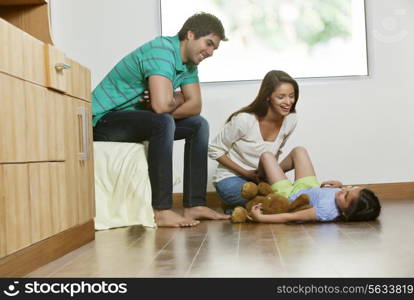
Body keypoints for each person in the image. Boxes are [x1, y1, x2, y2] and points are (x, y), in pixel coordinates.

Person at [92, 12, 230, 227]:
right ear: (191, 34)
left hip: (134, 121)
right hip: (104, 120)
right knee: (163, 121)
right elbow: (161, 106)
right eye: (209, 43)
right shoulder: (162, 50)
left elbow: (195, 106)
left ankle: (194, 204)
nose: (210, 52)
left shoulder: (189, 65)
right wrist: (176, 98)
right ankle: (161, 209)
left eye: (214, 48)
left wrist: (170, 99)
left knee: (198, 124)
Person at [208, 70, 299, 214]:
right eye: (281, 97)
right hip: (231, 178)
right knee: (274, 202)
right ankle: (243, 207)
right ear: (268, 96)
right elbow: (214, 149)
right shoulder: (245, 120)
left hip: (260, 179)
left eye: (291, 96)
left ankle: (239, 209)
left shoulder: (290, 120)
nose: (288, 102)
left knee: (280, 197)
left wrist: (270, 175)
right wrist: (245, 173)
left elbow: (277, 151)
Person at [248, 147, 381, 223]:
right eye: (350, 188)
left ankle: (262, 176)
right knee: (299, 151)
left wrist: (261, 218)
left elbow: (292, 217)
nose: (343, 191)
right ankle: (270, 172)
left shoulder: (326, 211)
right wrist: (341, 185)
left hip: (290, 195)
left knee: (266, 156)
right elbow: (344, 191)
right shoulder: (341, 192)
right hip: (310, 186)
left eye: (345, 197)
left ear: (346, 214)